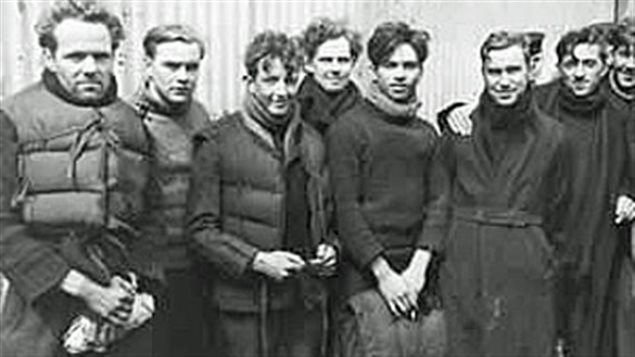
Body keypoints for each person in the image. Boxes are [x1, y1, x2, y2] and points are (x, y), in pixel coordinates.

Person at [441, 26, 635, 357]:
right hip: (497, 248)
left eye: (589, 64)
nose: (579, 73)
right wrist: (452, 113)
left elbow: (625, 168)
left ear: (605, 67)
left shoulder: (615, 118)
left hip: (582, 236)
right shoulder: (540, 103)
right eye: (571, 63)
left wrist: (627, 192)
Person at [0, 1, 159, 356]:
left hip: (118, 309)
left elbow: (152, 216)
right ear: (49, 57)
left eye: (101, 56)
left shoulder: (130, 122)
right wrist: (86, 290)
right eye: (75, 57)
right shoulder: (13, 117)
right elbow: (3, 228)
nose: (90, 68)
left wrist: (131, 283)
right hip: (42, 311)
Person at [419, 31, 571, 357]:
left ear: (530, 70)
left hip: (525, 270)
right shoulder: (459, 130)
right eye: (495, 72)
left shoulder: (555, 138)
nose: (504, 81)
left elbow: (561, 219)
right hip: (465, 268)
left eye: (513, 70)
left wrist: (544, 265)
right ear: (483, 73)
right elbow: (438, 202)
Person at [187, 30, 336, 357]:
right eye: (270, 80)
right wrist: (256, 261)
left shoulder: (312, 141)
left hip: (304, 302)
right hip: (245, 307)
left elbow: (327, 216)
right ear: (249, 80)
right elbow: (200, 230)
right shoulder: (217, 141)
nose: (281, 91)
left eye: (289, 79)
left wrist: (330, 249)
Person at [326, 22, 444, 356]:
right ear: (373, 70)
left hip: (418, 275)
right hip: (365, 275)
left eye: (409, 66)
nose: (400, 75)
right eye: (390, 65)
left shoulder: (427, 134)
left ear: (421, 70)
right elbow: (346, 210)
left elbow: (439, 202)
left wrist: (418, 270)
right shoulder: (348, 129)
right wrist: (384, 275)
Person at [131, 24, 211, 357]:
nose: (183, 76)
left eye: (191, 67)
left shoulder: (200, 114)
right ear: (148, 65)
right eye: (171, 66)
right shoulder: (128, 121)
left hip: (201, 266)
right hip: (153, 273)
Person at [606, 17, 635, 357]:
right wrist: (459, 111)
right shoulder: (591, 93)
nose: (631, 63)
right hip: (592, 223)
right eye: (623, 52)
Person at [298, 17, 363, 135]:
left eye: (343, 60)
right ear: (309, 64)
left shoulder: (364, 111)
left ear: (353, 63)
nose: (335, 69)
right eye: (326, 60)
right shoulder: (294, 109)